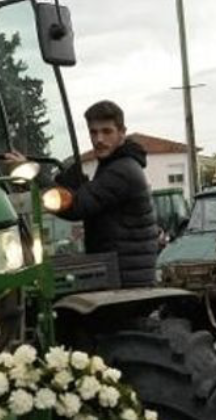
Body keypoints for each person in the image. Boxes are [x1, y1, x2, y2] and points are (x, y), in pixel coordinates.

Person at [50, 100, 158, 287]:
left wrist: (34, 177)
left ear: (122, 133)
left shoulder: (122, 171)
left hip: (125, 284)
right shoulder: (114, 166)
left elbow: (75, 207)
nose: (99, 139)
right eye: (93, 132)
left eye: (107, 132)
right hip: (120, 275)